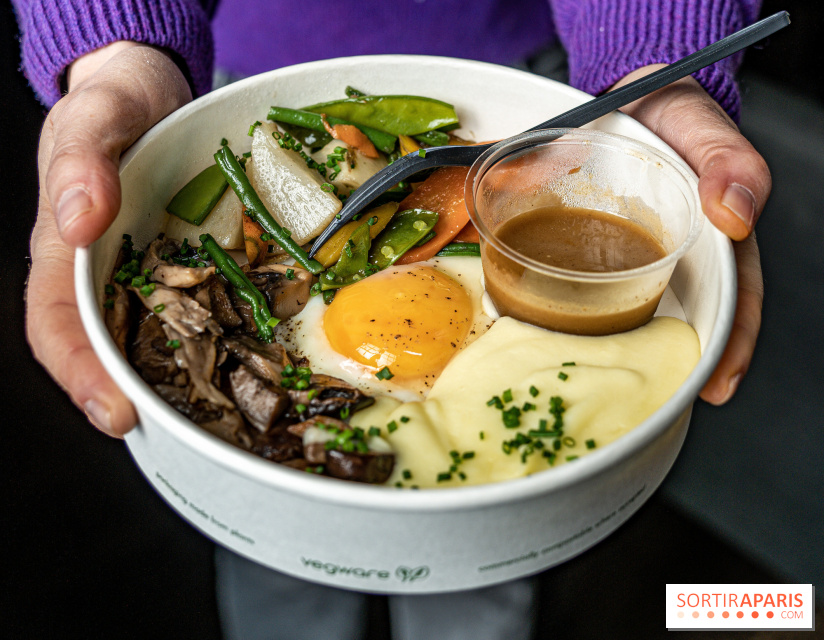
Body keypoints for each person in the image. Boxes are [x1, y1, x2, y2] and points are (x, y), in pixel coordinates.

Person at [12, 1, 769, 638]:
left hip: (545, 81)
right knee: (275, 553)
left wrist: (654, 52)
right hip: (234, 73)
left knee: (484, 571)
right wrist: (116, 52)